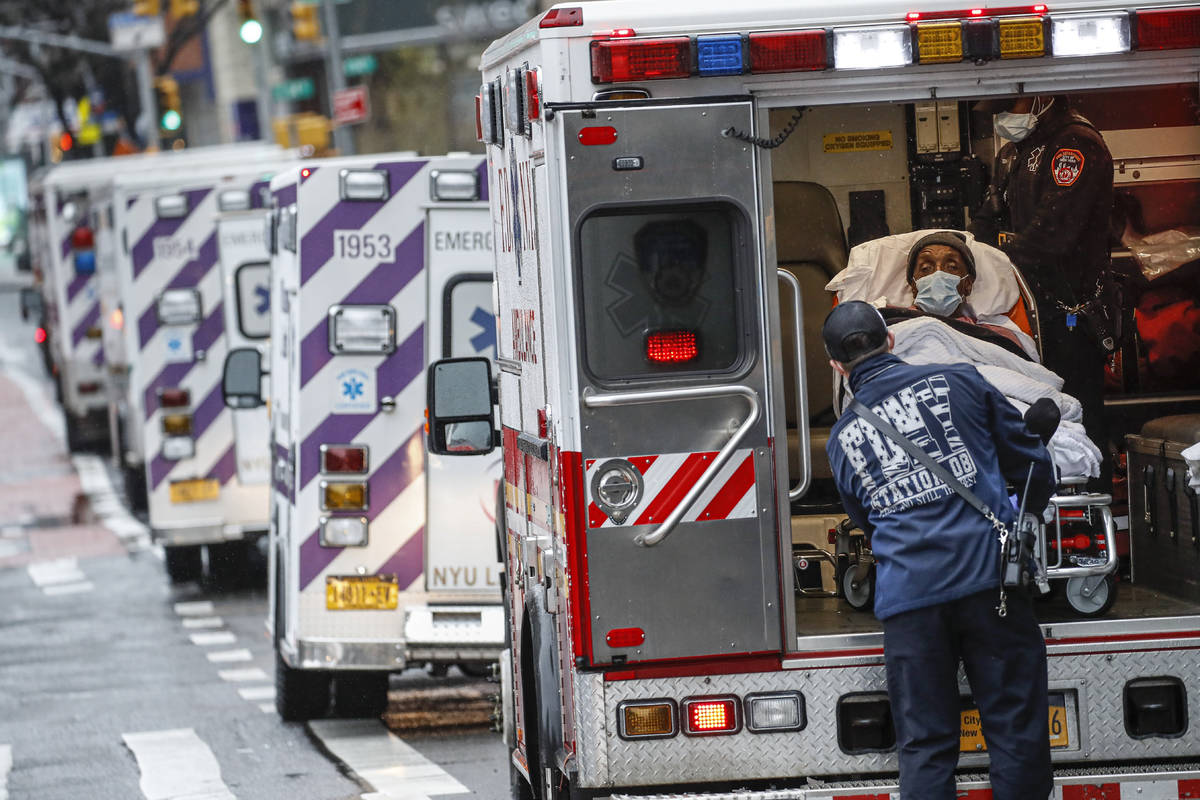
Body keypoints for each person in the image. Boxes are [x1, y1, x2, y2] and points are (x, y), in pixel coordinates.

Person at [823, 301, 1056, 800]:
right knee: (1016, 733)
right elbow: (1031, 462)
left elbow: (865, 520)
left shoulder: (842, 439)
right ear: (890, 340)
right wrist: (1023, 520)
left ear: (837, 366)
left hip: (911, 602)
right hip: (992, 583)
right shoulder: (960, 380)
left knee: (925, 746)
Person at [968, 95, 1114, 479]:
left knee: (1077, 410)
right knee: (1029, 409)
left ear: (1038, 98)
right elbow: (987, 219)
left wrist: (999, 255)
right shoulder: (1013, 153)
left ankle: (1089, 503)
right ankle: (1036, 497)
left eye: (1007, 108)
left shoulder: (1074, 144)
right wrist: (967, 257)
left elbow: (1053, 235)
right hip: (1026, 311)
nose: (1001, 118)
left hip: (1071, 309)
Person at [891, 230, 1035, 358]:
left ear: (968, 285)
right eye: (926, 268)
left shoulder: (996, 338)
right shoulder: (888, 323)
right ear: (914, 286)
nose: (938, 274)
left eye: (952, 267)